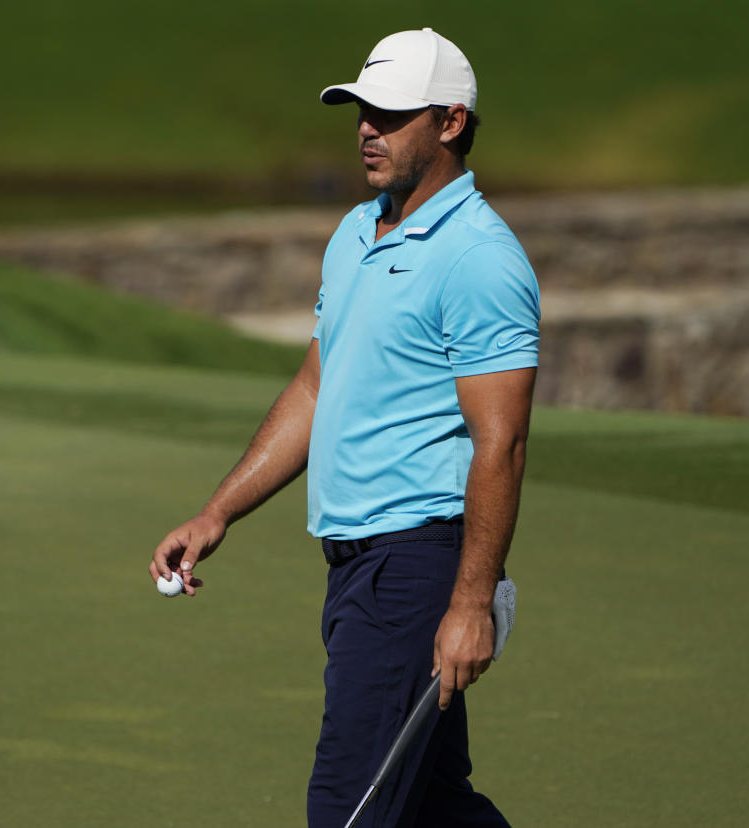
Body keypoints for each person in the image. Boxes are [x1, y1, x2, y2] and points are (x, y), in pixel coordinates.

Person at [150, 27, 539, 828]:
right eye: (361, 109)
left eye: (391, 113)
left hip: (414, 570)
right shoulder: (357, 232)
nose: (367, 127)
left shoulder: (480, 258)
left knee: (348, 810)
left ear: (450, 122)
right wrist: (218, 511)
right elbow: (315, 384)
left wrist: (468, 605)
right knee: (431, 806)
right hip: (352, 570)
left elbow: (501, 443)